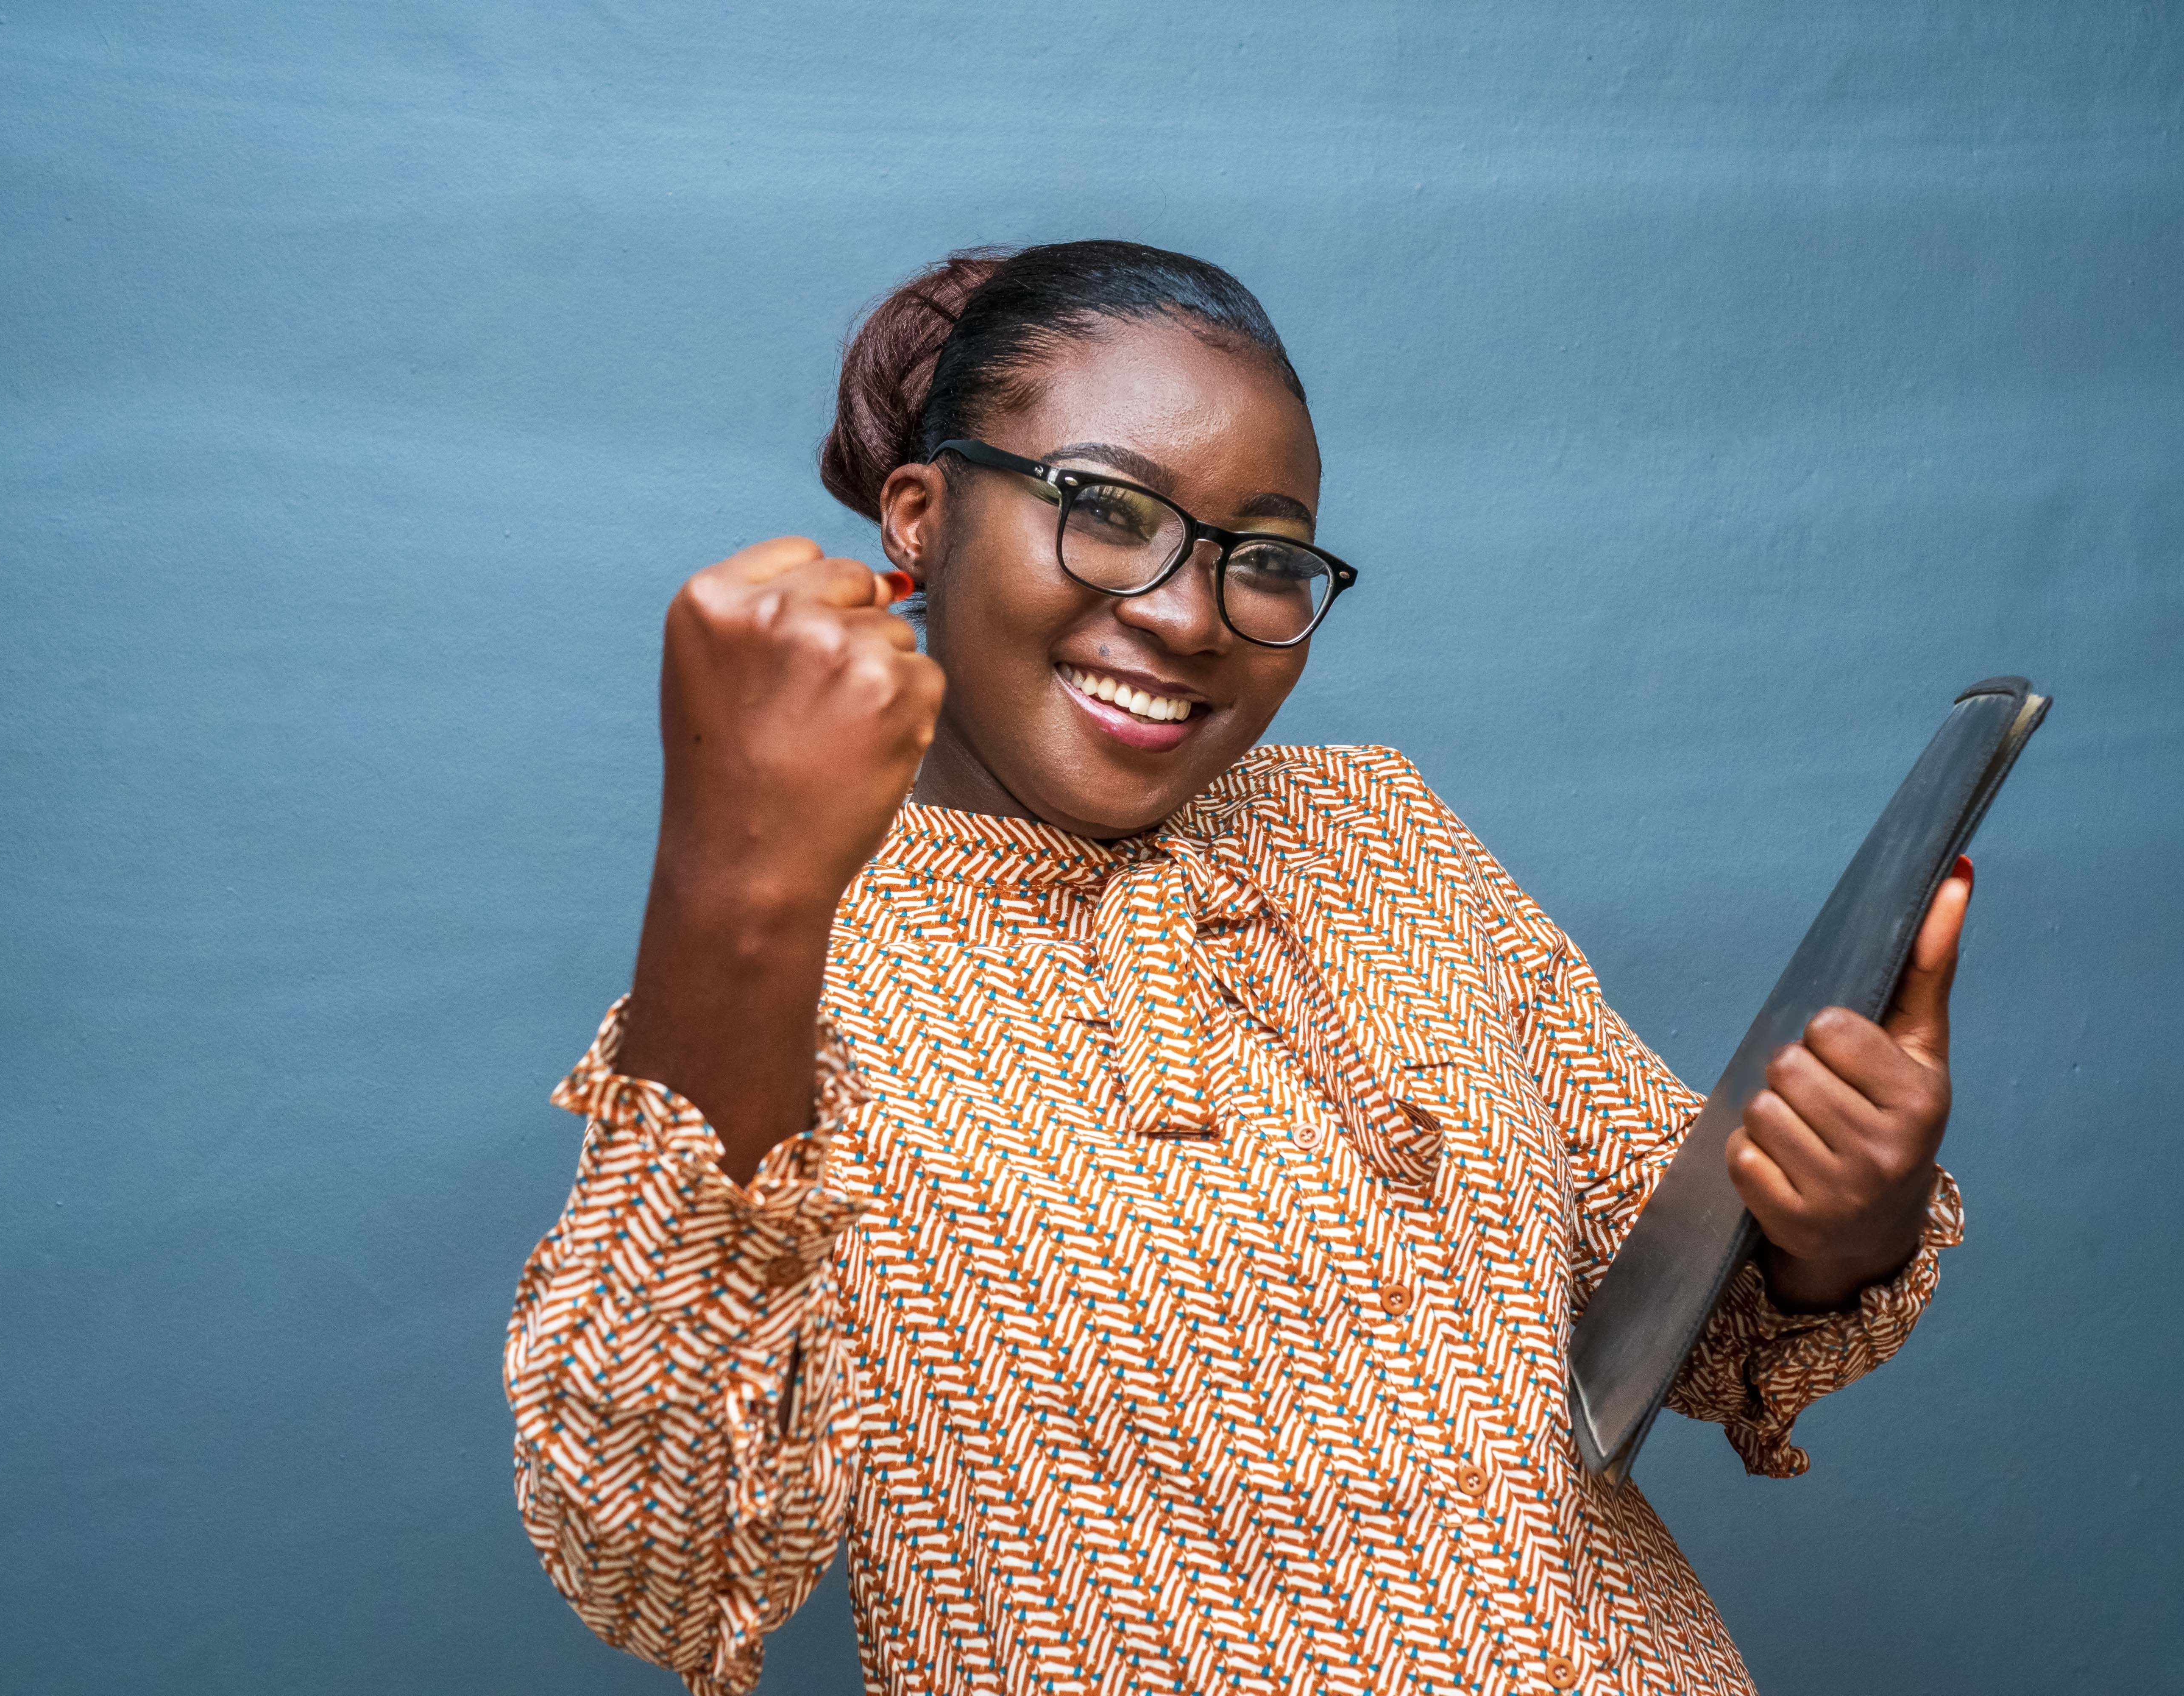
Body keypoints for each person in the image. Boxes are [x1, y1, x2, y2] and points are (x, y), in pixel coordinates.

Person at [504, 240, 1970, 1696]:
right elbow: (655, 1564)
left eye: (1264, 559)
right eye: (1105, 510)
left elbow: (1685, 1330)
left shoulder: (1377, 834)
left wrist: (1842, 1217)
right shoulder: (765, 976)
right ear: (922, 517)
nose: (1189, 615)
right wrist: (731, 885)